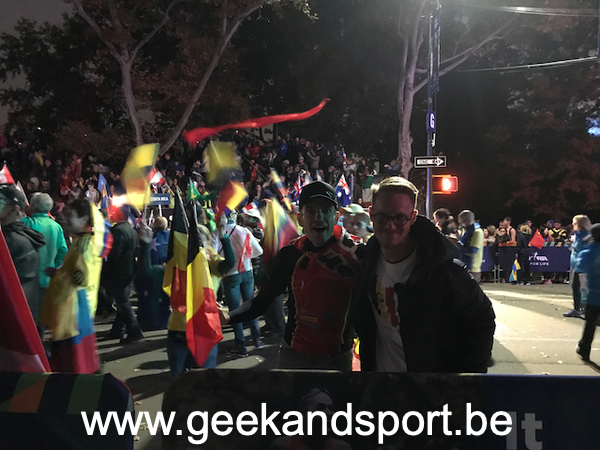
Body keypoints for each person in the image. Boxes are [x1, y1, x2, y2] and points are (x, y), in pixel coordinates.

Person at [350, 177, 495, 372]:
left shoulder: (443, 268)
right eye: (382, 216)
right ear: (371, 214)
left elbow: (482, 318)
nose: (390, 226)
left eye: (399, 218)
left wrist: (467, 379)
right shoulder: (367, 260)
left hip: (430, 385)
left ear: (413, 218)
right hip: (381, 384)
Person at [221, 181, 365, 370]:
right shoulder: (289, 255)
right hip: (294, 356)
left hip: (337, 358)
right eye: (311, 211)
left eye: (326, 210)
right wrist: (227, 316)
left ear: (336, 216)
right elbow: (262, 300)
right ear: (300, 219)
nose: (319, 217)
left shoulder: (357, 254)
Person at [219, 211, 265, 357]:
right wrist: (245, 258)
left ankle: (241, 346)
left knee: (234, 311)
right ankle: (257, 340)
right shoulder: (244, 230)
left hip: (230, 275)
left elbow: (214, 254)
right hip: (247, 271)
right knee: (250, 306)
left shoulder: (218, 233)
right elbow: (259, 251)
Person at [0, 185, 45, 323]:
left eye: (1, 202)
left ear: (14, 209)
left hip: (12, 318)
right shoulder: (14, 237)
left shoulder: (13, 241)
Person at [22, 193, 68, 313]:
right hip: (47, 280)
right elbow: (63, 252)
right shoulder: (56, 226)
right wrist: (52, 267)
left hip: (27, 281)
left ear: (33, 206)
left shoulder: (26, 223)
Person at [105, 212, 144, 343]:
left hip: (119, 270)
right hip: (129, 269)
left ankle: (134, 331)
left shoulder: (118, 230)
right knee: (122, 299)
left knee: (123, 302)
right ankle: (118, 329)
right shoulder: (131, 230)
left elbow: (115, 251)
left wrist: (108, 267)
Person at [576, 223, 600, 362]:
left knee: (590, 325)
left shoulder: (589, 251)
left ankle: (584, 349)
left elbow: (580, 267)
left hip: (594, 294)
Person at [565, 215, 591, 318]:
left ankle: (584, 310)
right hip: (577, 266)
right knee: (576, 287)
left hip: (584, 267)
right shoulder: (578, 235)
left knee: (583, 289)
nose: (572, 225)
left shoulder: (586, 236)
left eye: (574, 223)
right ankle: (577, 309)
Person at [457, 210, 484, 282]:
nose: (460, 225)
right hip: (464, 267)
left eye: (461, 222)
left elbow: (472, 252)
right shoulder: (465, 231)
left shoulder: (477, 232)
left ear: (468, 220)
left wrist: (456, 246)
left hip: (472, 269)